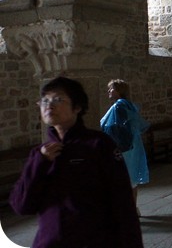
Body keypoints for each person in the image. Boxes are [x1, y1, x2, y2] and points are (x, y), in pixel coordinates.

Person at [10, 76, 143, 248]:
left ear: (77, 107)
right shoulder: (40, 154)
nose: (49, 105)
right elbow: (22, 205)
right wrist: (40, 163)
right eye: (44, 100)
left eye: (58, 99)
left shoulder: (98, 145)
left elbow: (123, 205)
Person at [101, 79, 150, 213]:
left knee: (123, 178)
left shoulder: (118, 106)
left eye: (111, 89)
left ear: (119, 91)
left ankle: (126, 210)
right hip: (132, 145)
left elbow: (115, 127)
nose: (109, 91)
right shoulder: (128, 105)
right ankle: (133, 208)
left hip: (122, 147)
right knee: (131, 179)